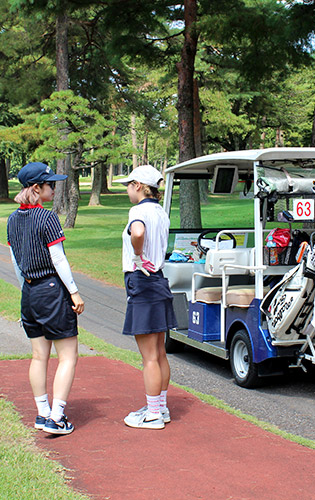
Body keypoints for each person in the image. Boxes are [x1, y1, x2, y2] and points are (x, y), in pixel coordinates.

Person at [7, 162, 85, 435]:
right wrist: (74, 291)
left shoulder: (12, 219)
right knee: (68, 356)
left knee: (39, 356)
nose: (54, 187)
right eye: (50, 184)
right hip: (52, 289)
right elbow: (58, 258)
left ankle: (42, 413)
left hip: (29, 291)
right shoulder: (47, 218)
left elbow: (16, 262)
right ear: (37, 188)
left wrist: (25, 293)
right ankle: (57, 416)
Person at [117, 165, 177, 430]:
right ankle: (160, 408)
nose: (128, 190)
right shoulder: (160, 212)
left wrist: (138, 255)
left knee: (149, 356)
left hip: (142, 280)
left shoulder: (138, 211)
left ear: (139, 186)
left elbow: (138, 233)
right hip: (159, 280)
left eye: (129, 185)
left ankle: (153, 414)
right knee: (160, 351)